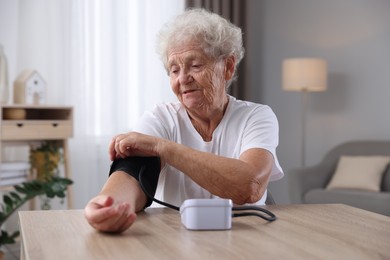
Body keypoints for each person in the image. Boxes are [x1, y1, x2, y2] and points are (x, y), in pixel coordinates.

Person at [84, 8, 283, 233]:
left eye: (195, 66)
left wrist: (163, 148)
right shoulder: (159, 119)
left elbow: (250, 186)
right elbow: (130, 175)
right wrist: (107, 205)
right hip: (175, 238)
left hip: (246, 239)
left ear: (227, 67)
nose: (183, 79)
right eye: (174, 69)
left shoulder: (256, 116)